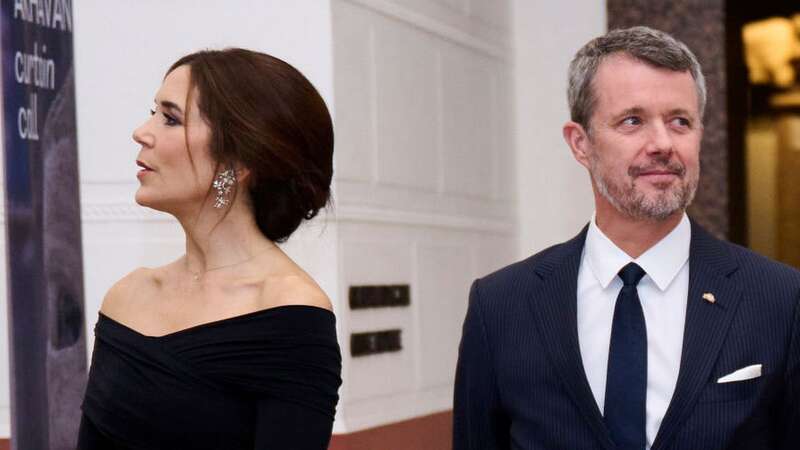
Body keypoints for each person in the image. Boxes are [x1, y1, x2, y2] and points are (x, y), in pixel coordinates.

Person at [453, 26, 800, 450]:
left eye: (680, 122)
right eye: (632, 121)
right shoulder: (502, 305)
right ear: (580, 144)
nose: (662, 144)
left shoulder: (780, 299)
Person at [77, 48, 341, 449]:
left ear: (237, 160)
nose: (142, 132)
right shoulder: (127, 296)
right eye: (153, 113)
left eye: (170, 118)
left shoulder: (289, 310)